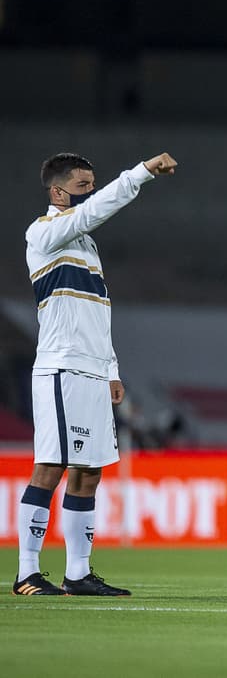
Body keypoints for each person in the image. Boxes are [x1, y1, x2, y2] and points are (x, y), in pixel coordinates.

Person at [14, 151, 177, 597]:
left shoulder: (86, 246)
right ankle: (26, 573)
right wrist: (141, 173)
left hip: (91, 370)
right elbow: (94, 211)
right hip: (61, 367)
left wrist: (111, 369)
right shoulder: (43, 232)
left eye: (91, 184)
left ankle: (77, 574)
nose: (89, 192)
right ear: (57, 192)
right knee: (50, 467)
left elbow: (97, 314)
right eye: (82, 186)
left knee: (89, 472)